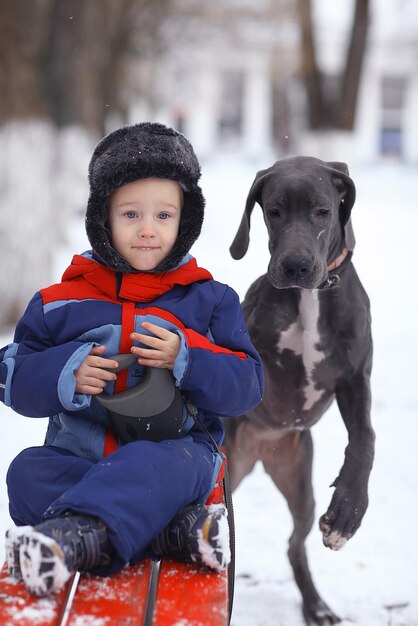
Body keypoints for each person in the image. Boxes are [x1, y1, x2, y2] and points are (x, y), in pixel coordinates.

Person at [0, 122, 264, 597]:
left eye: (164, 215)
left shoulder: (209, 301)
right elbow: (10, 375)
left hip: (177, 457)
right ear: (103, 218)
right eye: (130, 214)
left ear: (185, 222)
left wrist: (188, 357)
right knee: (26, 474)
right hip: (79, 459)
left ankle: (74, 536)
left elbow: (248, 383)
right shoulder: (60, 302)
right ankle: (170, 532)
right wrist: (66, 371)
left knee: (154, 463)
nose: (147, 229)